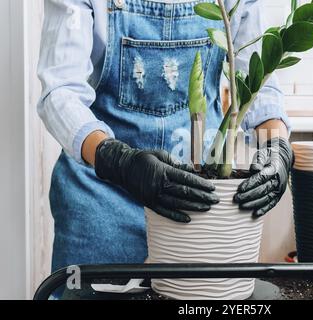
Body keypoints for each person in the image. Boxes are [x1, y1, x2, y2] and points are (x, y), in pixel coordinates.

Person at [38, 0, 293, 273]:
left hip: (197, 197)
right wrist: (118, 161)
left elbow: (259, 81)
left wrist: (276, 147)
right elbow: (60, 91)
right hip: (102, 197)